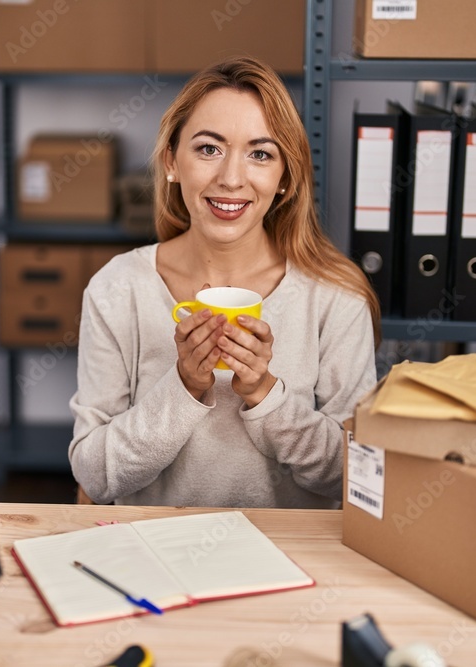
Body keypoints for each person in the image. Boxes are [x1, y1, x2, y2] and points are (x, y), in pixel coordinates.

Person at [69, 56, 380, 508]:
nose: (232, 179)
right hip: (154, 557)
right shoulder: (117, 288)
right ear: (172, 162)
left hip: (291, 561)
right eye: (208, 149)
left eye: (260, 154)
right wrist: (184, 387)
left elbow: (350, 475)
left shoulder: (336, 298)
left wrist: (264, 394)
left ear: (284, 181)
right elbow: (95, 476)